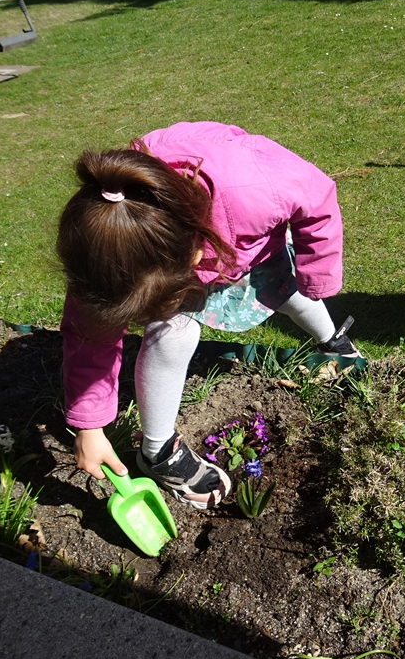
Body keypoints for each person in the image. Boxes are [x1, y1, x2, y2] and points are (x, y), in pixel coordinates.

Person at [58, 121, 359, 509]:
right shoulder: (104, 246)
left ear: (195, 256)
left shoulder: (259, 188)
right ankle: (157, 451)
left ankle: (334, 343)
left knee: (289, 292)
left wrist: (316, 277)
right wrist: (90, 425)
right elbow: (90, 335)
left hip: (248, 239)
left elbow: (317, 197)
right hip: (194, 239)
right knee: (173, 332)